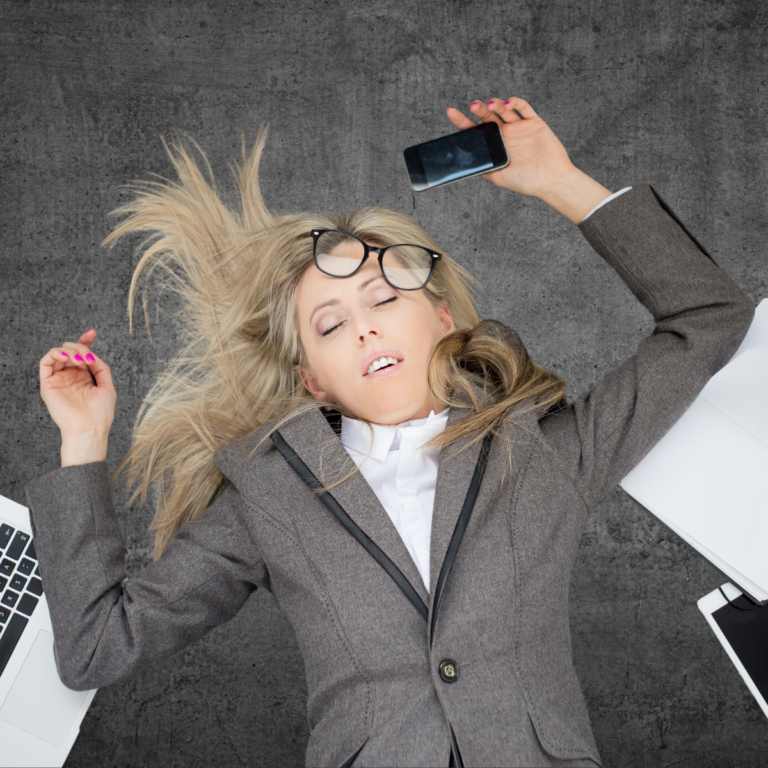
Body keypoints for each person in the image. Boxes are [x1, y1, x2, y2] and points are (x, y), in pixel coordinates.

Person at [25, 97, 754, 768]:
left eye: (382, 294)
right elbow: (96, 649)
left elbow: (708, 318)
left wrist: (559, 181)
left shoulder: (545, 451)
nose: (365, 321)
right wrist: (83, 442)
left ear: (443, 318)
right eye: (331, 323)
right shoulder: (269, 496)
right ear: (314, 380)